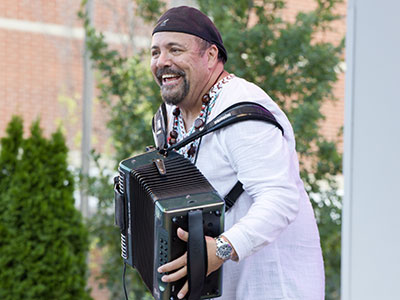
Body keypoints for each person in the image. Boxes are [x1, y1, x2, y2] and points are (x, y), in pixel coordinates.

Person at [150, 6, 324, 300]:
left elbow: (279, 198)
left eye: (175, 50)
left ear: (211, 56)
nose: (162, 61)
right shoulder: (169, 116)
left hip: (273, 288)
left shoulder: (243, 110)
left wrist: (220, 249)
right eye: (155, 52)